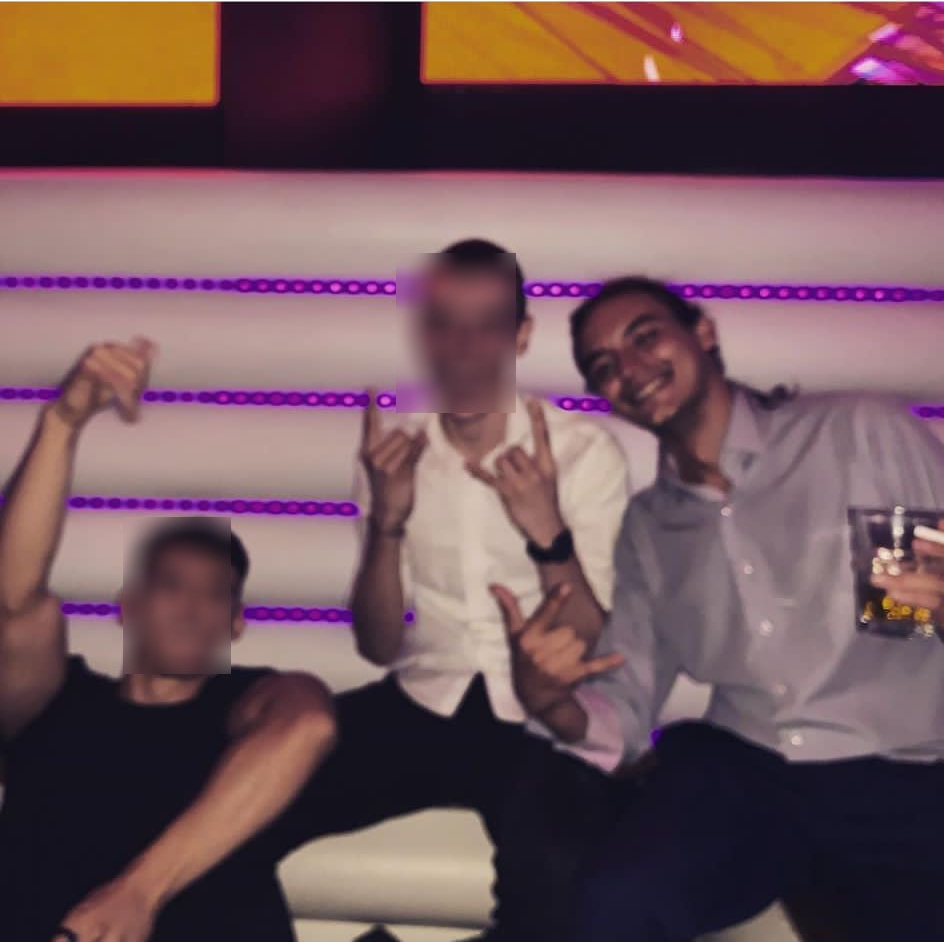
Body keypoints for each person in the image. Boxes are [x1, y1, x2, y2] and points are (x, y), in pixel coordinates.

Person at [491, 276, 944, 942]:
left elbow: (915, 612)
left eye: (645, 337)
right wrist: (547, 698)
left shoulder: (857, 435)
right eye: (604, 366)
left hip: (899, 766)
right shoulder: (649, 526)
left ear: (702, 332)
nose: (630, 368)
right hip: (746, 769)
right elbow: (625, 701)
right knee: (613, 907)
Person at [284, 239, 629, 942]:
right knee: (244, 806)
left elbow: (589, 636)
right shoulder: (396, 452)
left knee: (561, 891)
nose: (464, 347)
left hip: (537, 713)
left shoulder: (581, 452)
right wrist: (387, 523)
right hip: (421, 700)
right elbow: (378, 645)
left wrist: (547, 532)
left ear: (520, 335)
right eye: (445, 323)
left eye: (487, 324)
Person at [0, 340, 338, 942]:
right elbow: (15, 601)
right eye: (171, 585)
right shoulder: (57, 704)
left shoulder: (246, 711)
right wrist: (63, 421)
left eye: (216, 594)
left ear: (236, 625)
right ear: (127, 606)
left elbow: (307, 725)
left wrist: (137, 893)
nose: (192, 607)